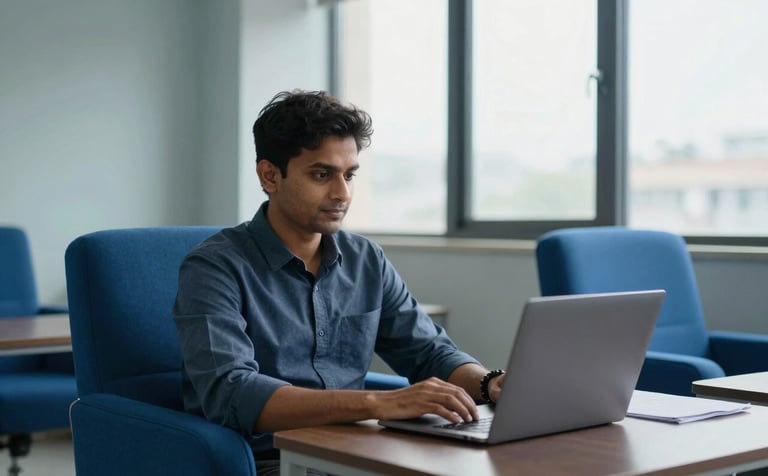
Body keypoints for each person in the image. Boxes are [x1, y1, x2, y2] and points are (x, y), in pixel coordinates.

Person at [172, 90, 505, 474]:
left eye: (349, 175)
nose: (342, 193)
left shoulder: (365, 259)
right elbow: (231, 391)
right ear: (270, 175)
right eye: (321, 175)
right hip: (269, 460)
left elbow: (429, 353)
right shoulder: (214, 267)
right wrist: (380, 404)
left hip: (357, 450)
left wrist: (490, 384)